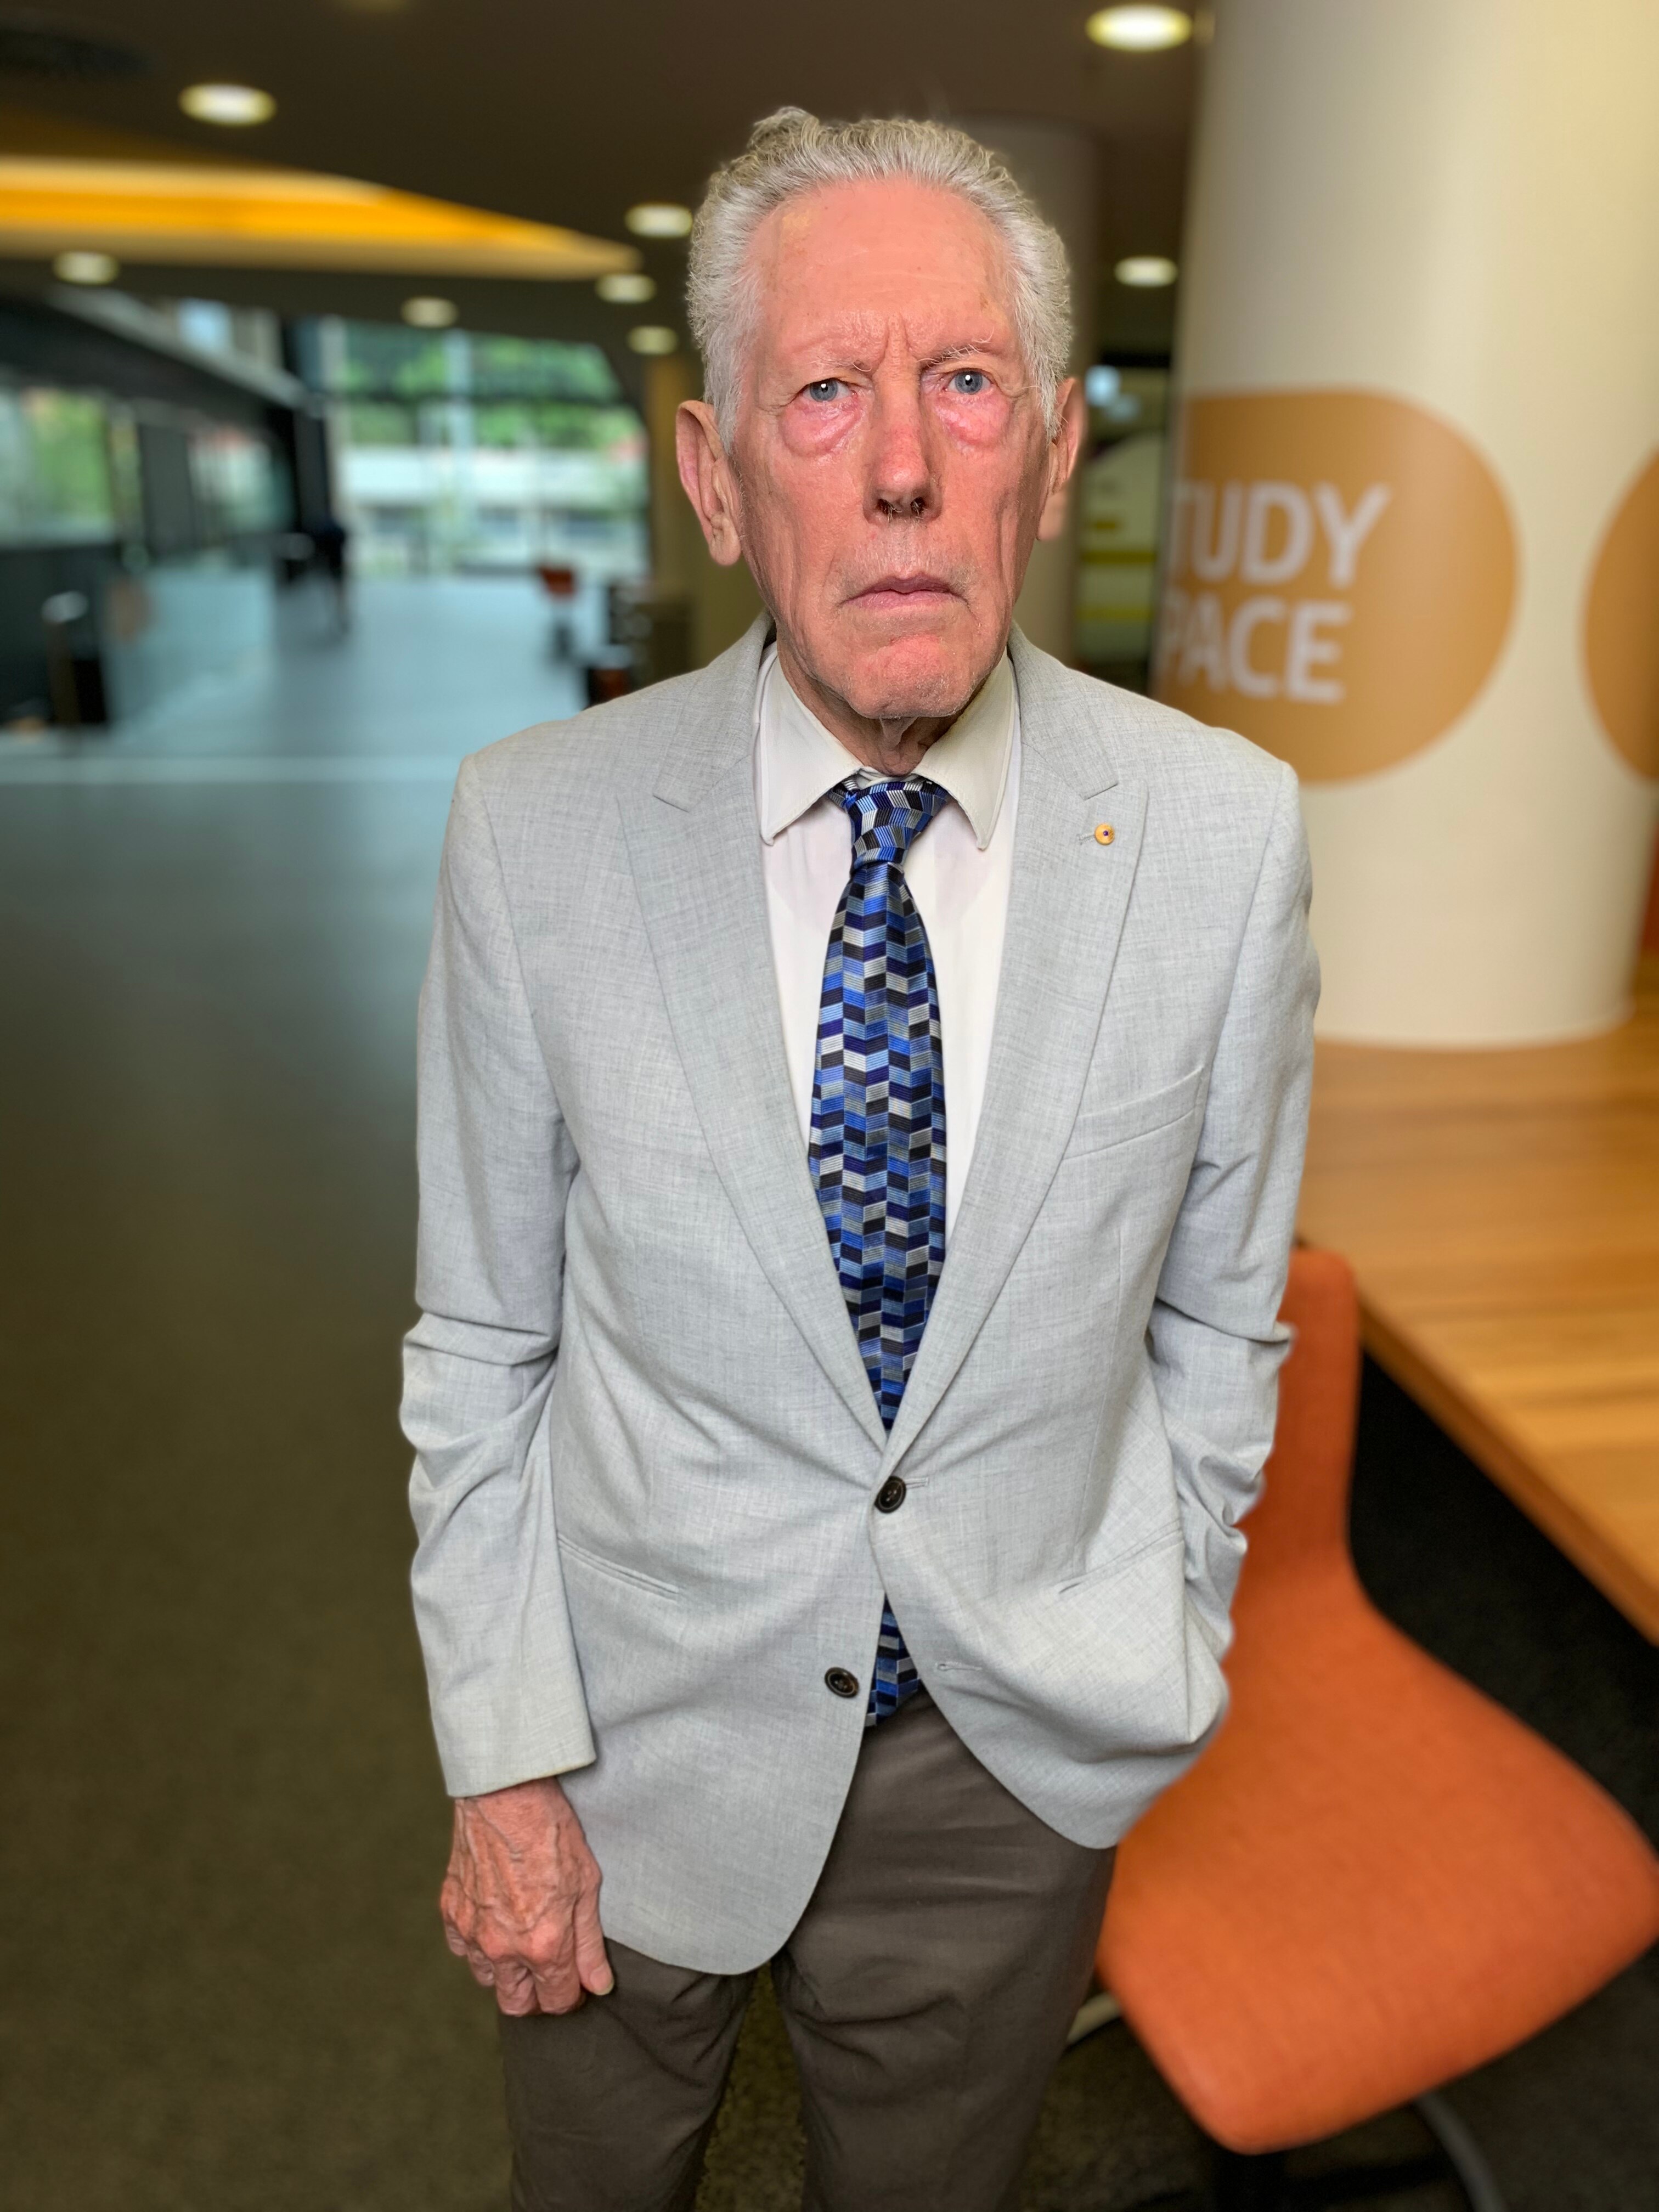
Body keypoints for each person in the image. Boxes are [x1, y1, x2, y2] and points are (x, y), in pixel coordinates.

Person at [403, 108, 1318, 2212]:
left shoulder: (1222, 832)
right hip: (628, 1733)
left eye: (964, 384)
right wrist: (505, 1755)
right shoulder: (531, 830)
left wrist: (1152, 1613)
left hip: (1006, 1755)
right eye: (826, 392)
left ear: (1055, 450)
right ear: (717, 474)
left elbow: (1220, 1310)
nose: (902, 465)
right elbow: (479, 1346)